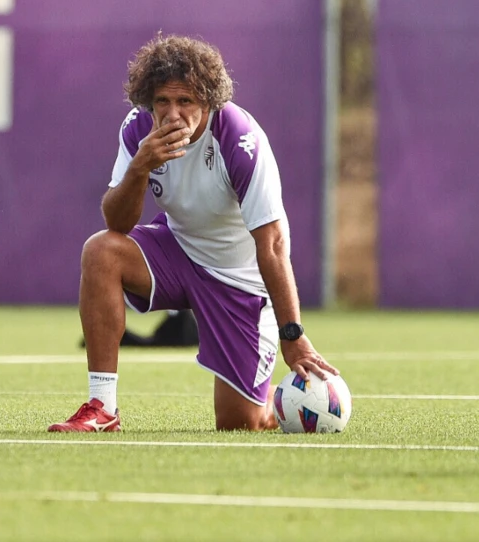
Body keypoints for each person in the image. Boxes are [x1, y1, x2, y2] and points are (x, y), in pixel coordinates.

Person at [48, 33, 337, 432]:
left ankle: (272, 403)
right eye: (163, 101)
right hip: (178, 251)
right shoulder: (137, 129)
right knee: (101, 251)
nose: (173, 114)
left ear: (209, 102)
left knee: (239, 423)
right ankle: (103, 407)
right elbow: (118, 223)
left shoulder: (239, 139)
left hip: (239, 281)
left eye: (186, 102)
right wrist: (139, 168)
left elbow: (271, 244)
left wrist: (293, 334)